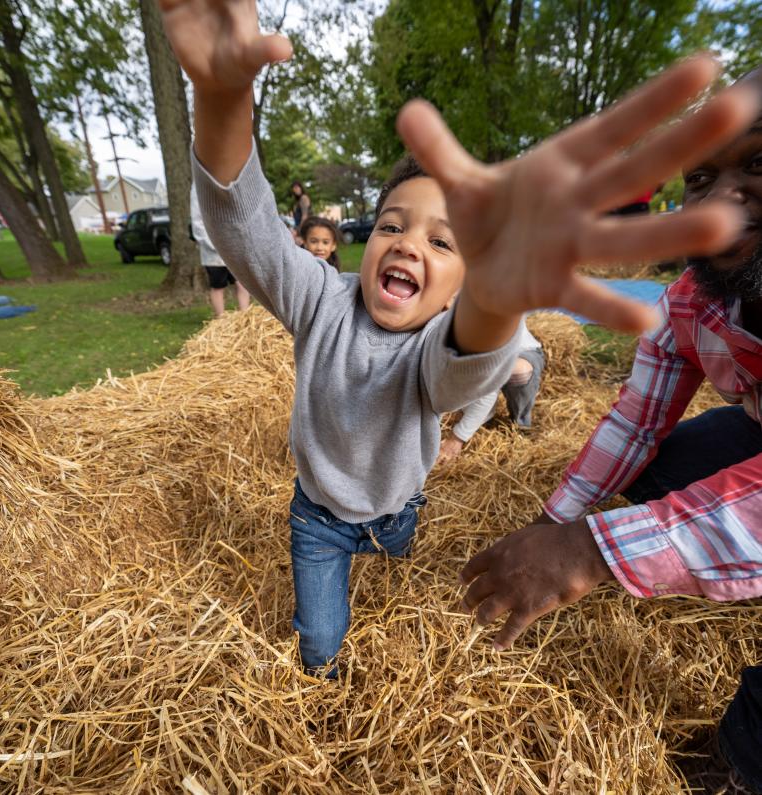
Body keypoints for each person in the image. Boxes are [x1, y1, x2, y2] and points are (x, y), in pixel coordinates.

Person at [158, 0, 755, 676]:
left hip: (398, 510)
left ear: (460, 284)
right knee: (319, 644)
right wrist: (220, 99)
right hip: (317, 520)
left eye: (443, 242)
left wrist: (495, 306)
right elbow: (247, 231)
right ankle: (321, 669)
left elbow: (461, 371)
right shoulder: (319, 300)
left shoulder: (441, 339)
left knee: (395, 590)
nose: (408, 245)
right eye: (391, 225)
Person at [457, 67, 762, 794]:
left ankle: (742, 759)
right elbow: (635, 420)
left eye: (756, 165)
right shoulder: (687, 304)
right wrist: (555, 520)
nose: (719, 203)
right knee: (658, 469)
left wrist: (592, 551)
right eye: (700, 178)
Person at [437, 329, 545, 464]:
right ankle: (476, 415)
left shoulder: (481, 327)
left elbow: (487, 392)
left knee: (518, 373)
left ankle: (521, 424)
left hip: (520, 351)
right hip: (475, 353)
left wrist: (456, 439)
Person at [190, 183, 250, 317]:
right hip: (213, 251)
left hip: (235, 247)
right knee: (218, 286)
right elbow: (197, 222)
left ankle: (245, 318)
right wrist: (215, 245)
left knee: (243, 284)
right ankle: (221, 321)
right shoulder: (199, 187)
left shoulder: (230, 181)